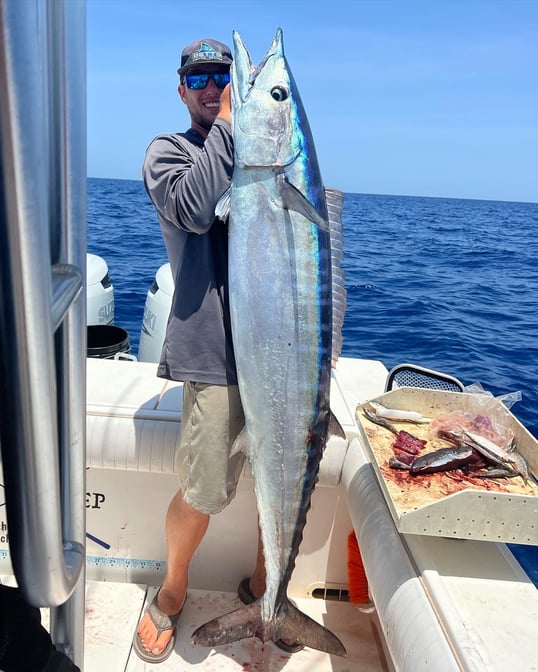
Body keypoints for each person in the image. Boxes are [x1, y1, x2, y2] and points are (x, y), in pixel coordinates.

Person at [134, 37, 302, 664]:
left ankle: (268, 593)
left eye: (222, 78)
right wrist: (232, 129)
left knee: (278, 484)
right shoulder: (168, 153)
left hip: (280, 359)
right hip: (213, 359)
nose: (213, 87)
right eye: (200, 78)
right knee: (204, 491)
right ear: (182, 90)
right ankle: (173, 593)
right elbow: (193, 211)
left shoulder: (263, 158)